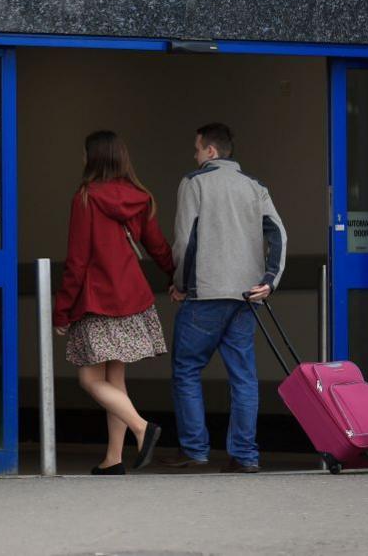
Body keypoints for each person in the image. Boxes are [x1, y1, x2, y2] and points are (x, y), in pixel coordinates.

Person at [163, 123, 287, 474]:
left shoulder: (194, 182)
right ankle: (245, 455)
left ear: (211, 152)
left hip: (205, 293)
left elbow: (185, 241)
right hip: (247, 296)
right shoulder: (255, 187)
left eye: (197, 148)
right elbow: (278, 233)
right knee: (243, 377)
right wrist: (269, 281)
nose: (195, 154)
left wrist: (180, 284)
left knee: (186, 370)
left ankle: (195, 449)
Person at [53, 130, 175, 475]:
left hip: (98, 299)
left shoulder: (87, 198)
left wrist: (61, 310)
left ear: (92, 158)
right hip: (132, 298)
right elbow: (158, 246)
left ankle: (141, 427)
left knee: (90, 381)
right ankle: (114, 459)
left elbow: (77, 260)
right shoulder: (141, 197)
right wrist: (175, 277)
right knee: (115, 380)